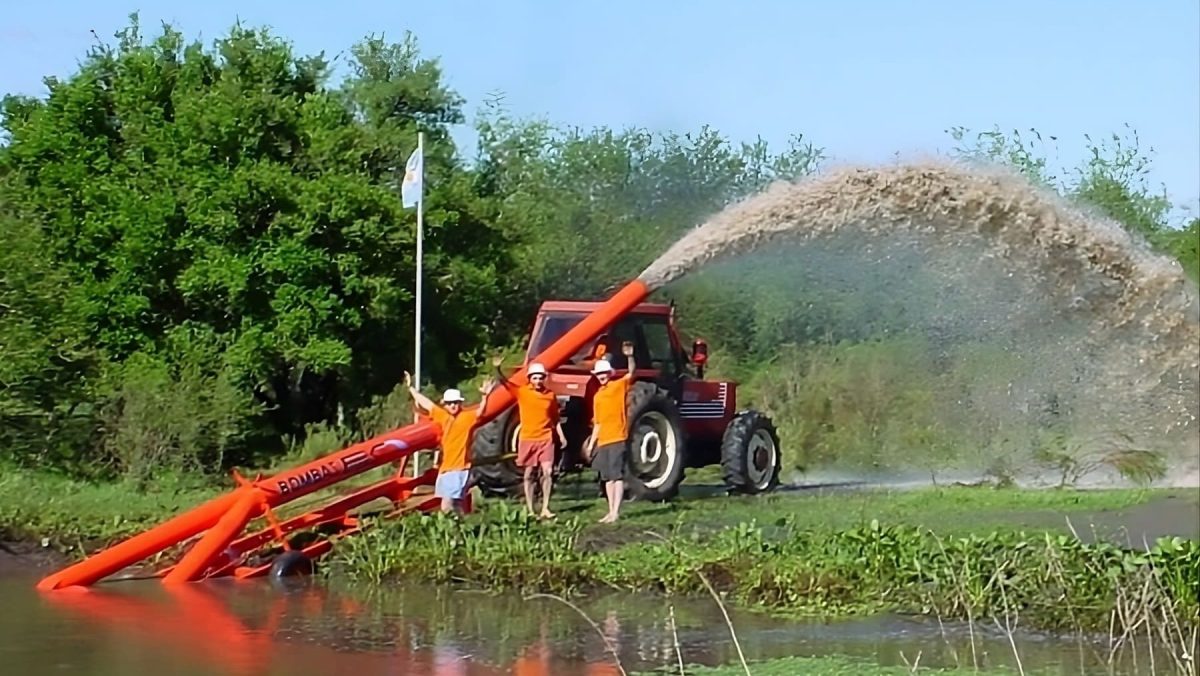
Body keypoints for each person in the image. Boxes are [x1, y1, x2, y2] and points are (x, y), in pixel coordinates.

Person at [405, 371, 495, 514]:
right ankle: (460, 524)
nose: (453, 405)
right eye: (449, 403)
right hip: (446, 469)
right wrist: (411, 389)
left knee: (448, 504)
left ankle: (454, 525)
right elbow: (426, 403)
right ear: (445, 405)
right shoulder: (442, 416)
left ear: (460, 403)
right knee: (451, 503)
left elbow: (480, 412)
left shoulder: (467, 417)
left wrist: (485, 396)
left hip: (459, 469)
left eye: (455, 402)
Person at [493, 356, 566, 519]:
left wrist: (561, 436)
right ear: (530, 379)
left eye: (540, 378)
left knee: (548, 472)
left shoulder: (550, 396)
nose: (538, 381)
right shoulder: (522, 392)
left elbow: (555, 419)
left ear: (544, 378)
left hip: (546, 438)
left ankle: (546, 507)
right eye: (535, 378)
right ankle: (531, 509)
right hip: (527, 438)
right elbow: (505, 383)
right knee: (529, 474)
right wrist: (497, 369)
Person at [583, 341, 636, 524]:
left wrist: (630, 356)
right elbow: (597, 423)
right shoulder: (597, 396)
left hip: (617, 437)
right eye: (599, 374)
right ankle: (610, 510)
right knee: (607, 478)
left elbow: (631, 373)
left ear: (609, 374)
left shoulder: (618, 386)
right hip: (603, 440)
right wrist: (591, 444)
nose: (601, 377)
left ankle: (616, 511)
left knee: (616, 476)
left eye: (604, 373)